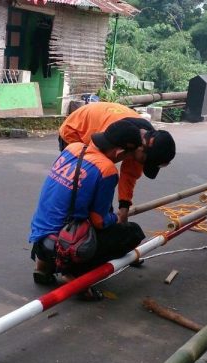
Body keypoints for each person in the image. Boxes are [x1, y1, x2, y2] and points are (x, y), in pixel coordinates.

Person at [29, 120, 147, 301]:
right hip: (64, 246)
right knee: (132, 232)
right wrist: (115, 218)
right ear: (120, 152)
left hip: (40, 235)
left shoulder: (73, 148)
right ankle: (73, 274)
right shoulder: (106, 170)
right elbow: (99, 220)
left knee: (60, 219)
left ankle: (43, 266)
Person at [58, 102, 176, 223]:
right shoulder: (114, 134)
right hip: (75, 129)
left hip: (101, 120)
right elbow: (97, 173)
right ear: (141, 148)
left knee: (96, 197)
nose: (142, 164)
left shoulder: (146, 142)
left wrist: (124, 208)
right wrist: (103, 217)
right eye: (144, 161)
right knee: (77, 182)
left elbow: (129, 175)